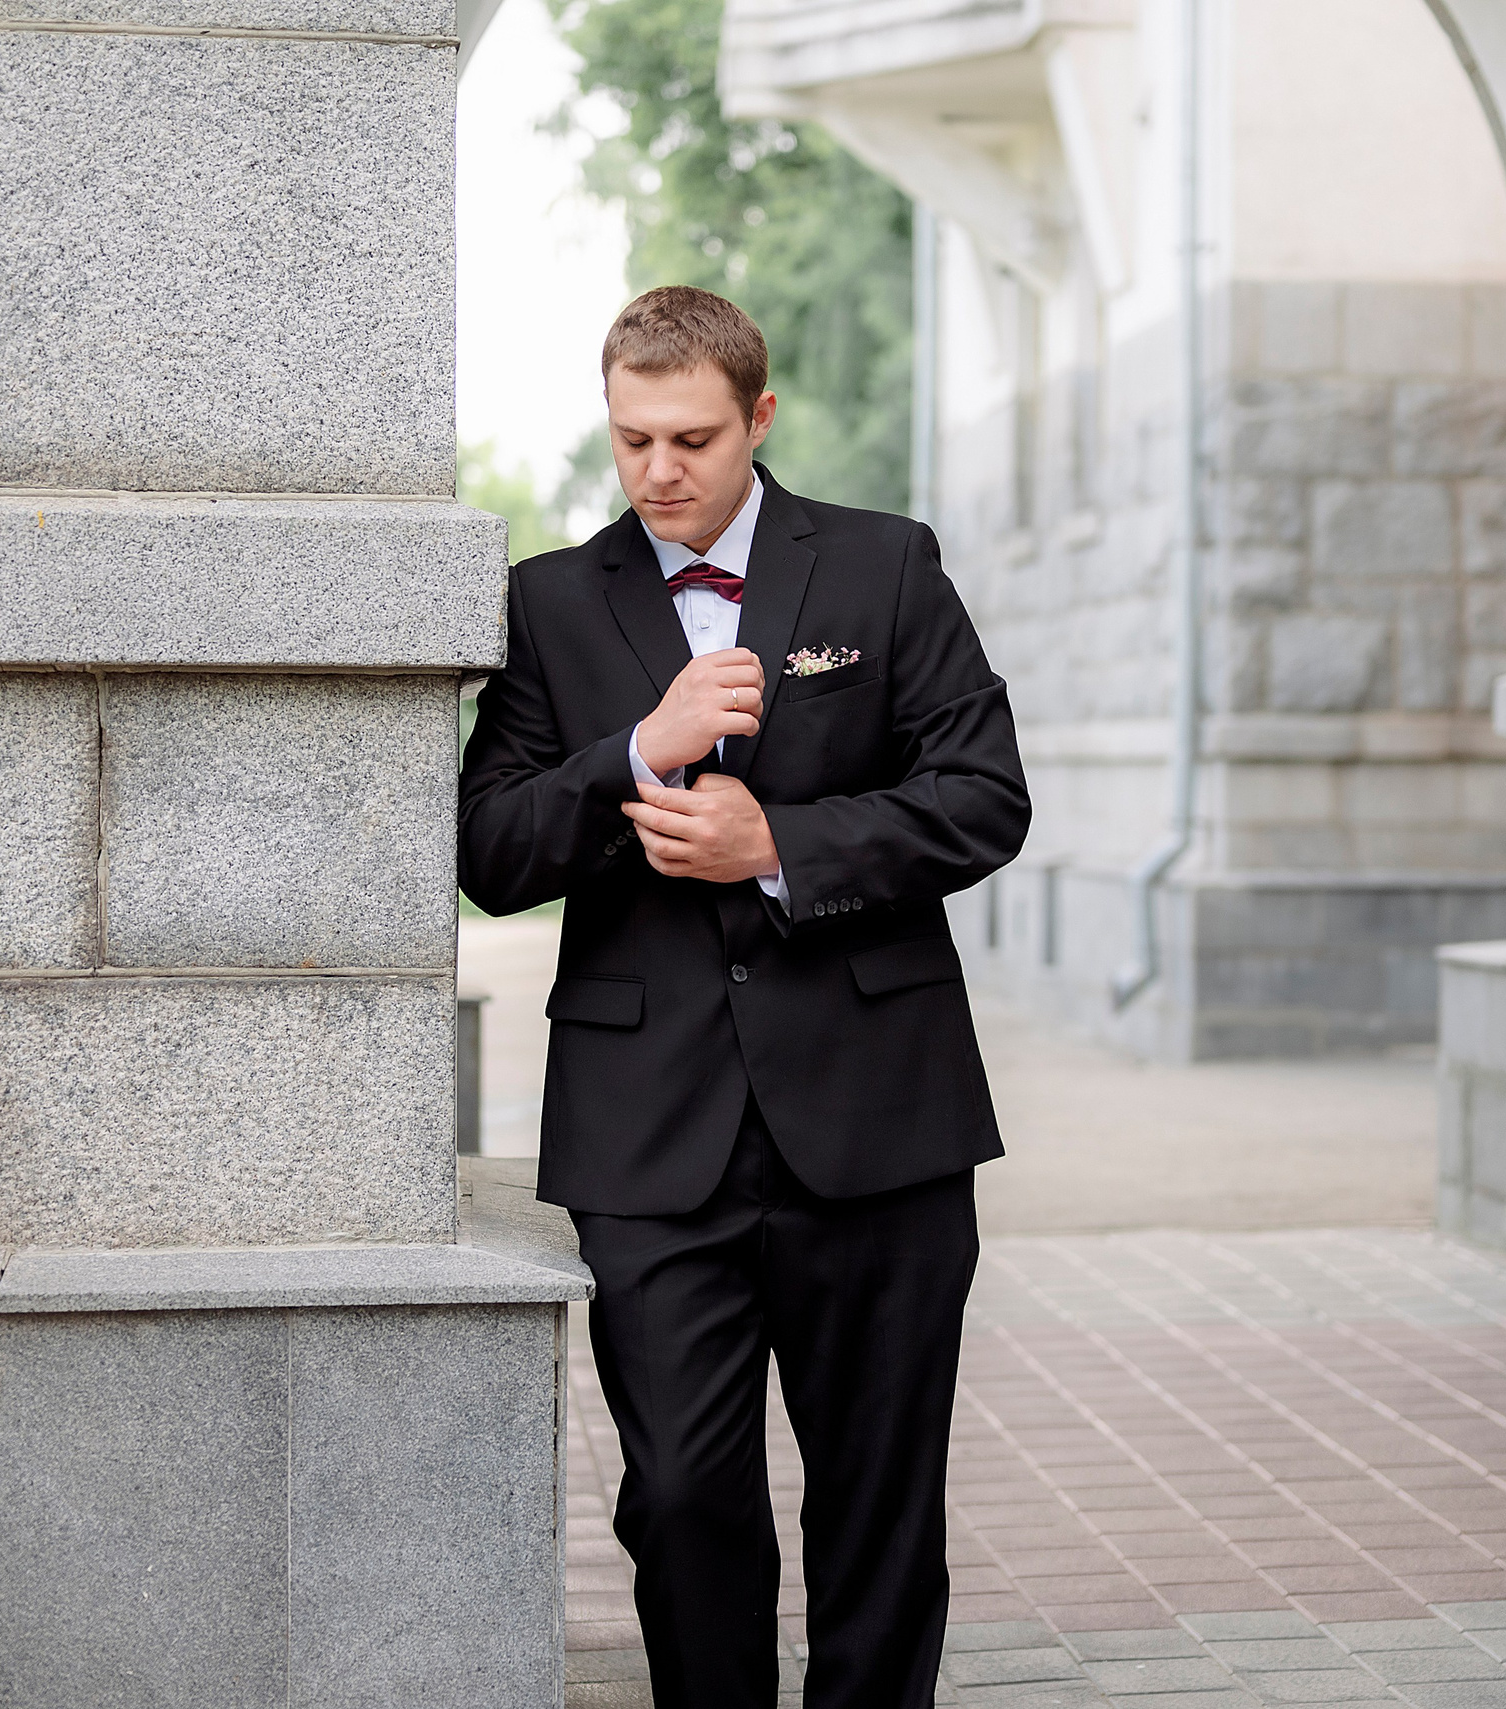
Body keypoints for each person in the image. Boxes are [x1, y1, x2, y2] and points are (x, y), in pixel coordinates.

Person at [457, 286, 1030, 1709]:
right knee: (685, 1495)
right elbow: (489, 854)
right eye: (634, 436)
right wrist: (632, 753)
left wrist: (786, 846)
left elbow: (983, 798)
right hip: (651, 1137)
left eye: (694, 437)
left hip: (877, 1119)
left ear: (758, 420)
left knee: (881, 1505)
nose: (662, 469)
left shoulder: (885, 570)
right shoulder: (548, 600)